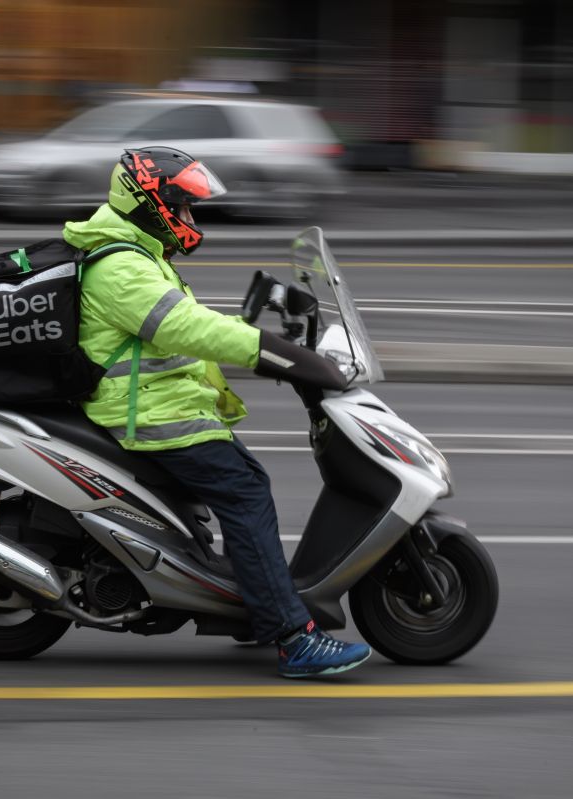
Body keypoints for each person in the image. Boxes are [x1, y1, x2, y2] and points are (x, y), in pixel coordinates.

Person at [62, 146, 371, 678]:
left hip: (163, 407)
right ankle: (293, 636)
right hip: (151, 417)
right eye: (182, 207)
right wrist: (277, 352)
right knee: (246, 490)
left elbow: (183, 322)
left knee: (244, 487)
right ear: (151, 203)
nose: (189, 219)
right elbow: (187, 328)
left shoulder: (136, 252)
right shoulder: (121, 267)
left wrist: (264, 325)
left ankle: (258, 602)